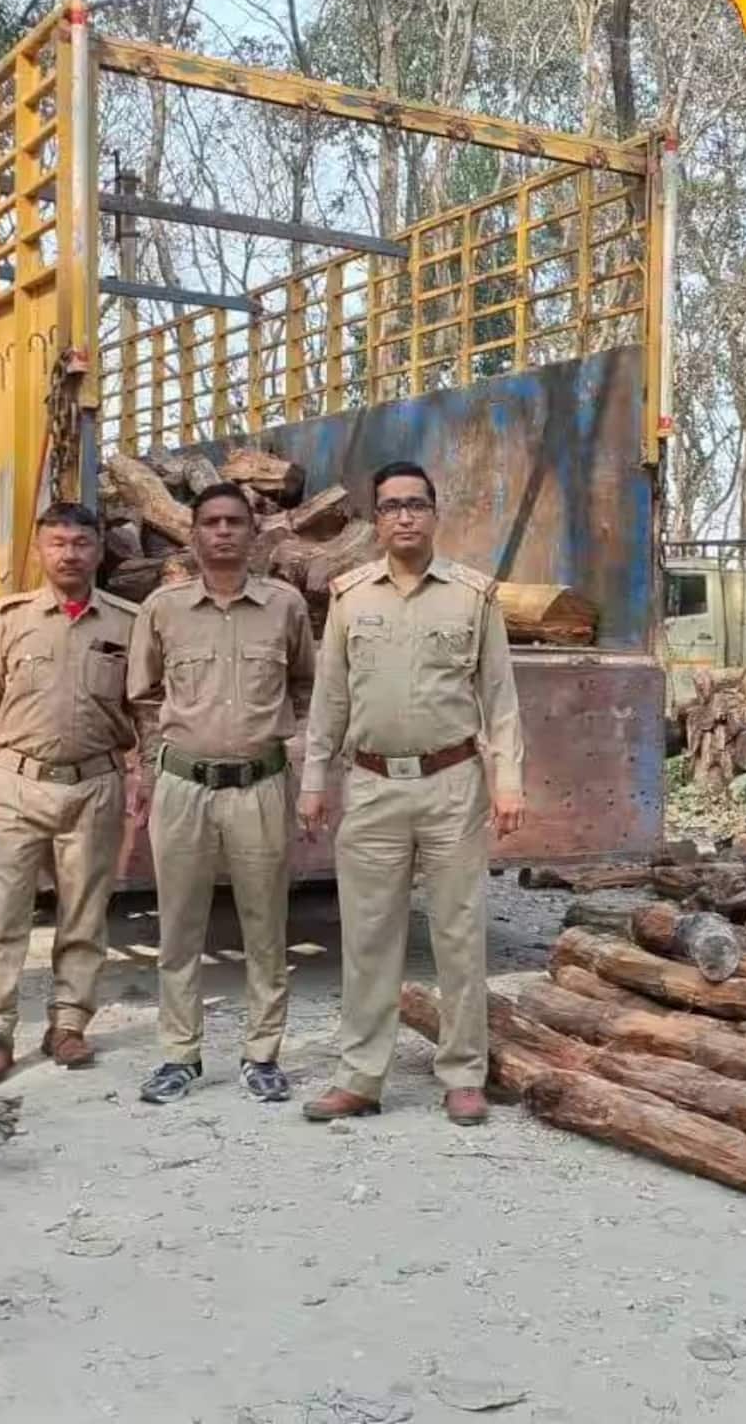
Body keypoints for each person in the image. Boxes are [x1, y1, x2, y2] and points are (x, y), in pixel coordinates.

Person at [296, 461, 524, 1126]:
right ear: (376, 519)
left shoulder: (473, 597)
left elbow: (500, 699)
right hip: (370, 786)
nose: (404, 516)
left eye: (416, 505)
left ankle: (463, 1074)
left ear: (434, 514)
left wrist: (507, 779)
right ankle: (361, 1077)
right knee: (368, 937)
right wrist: (315, 781)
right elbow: (329, 699)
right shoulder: (350, 598)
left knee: (458, 933)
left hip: (453, 783)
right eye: (391, 506)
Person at [127, 481, 315, 1106]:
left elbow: (308, 686)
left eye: (236, 521)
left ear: (254, 532)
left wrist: (305, 764)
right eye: (211, 522)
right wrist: (145, 773)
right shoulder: (164, 608)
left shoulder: (285, 606)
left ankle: (263, 1053)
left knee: (266, 926)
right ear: (194, 533)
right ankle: (180, 1054)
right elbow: (143, 697)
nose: (224, 532)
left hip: (260, 785)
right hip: (183, 785)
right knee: (181, 927)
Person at [0, 502, 138, 1081]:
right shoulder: (10, 620)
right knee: (2, 917)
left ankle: (69, 1024)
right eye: (57, 543)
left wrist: (143, 780)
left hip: (95, 785)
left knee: (84, 914)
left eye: (81, 543)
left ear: (99, 549)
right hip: (17, 783)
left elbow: (147, 711)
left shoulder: (126, 624)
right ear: (40, 550)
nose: (69, 554)